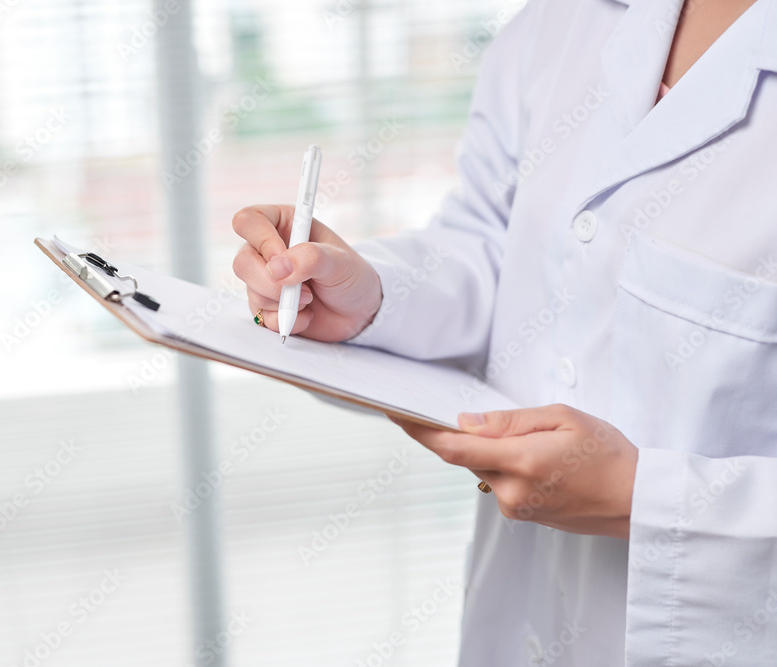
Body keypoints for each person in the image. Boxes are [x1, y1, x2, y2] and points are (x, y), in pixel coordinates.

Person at [231, 0, 777, 664]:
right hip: (522, 621)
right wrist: (371, 298)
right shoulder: (562, 21)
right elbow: (501, 247)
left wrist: (653, 504)